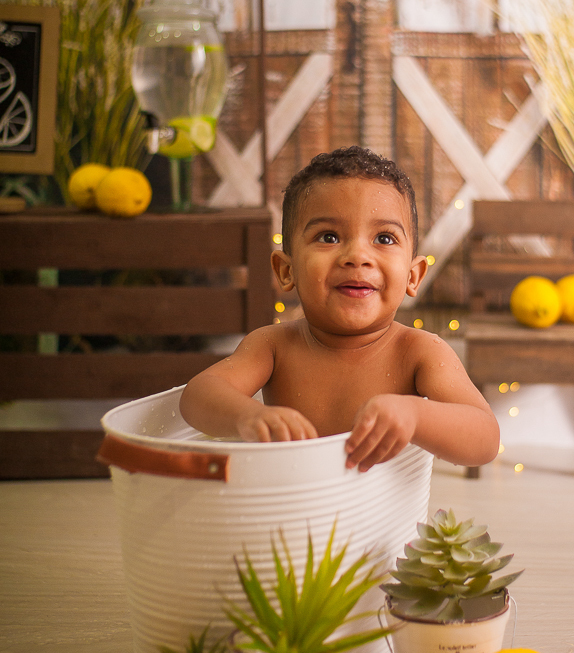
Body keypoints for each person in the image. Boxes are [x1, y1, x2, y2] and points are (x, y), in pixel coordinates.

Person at [179, 146, 499, 472]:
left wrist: (415, 415)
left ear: (412, 276)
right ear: (286, 271)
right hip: (289, 517)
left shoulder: (420, 352)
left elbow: (485, 438)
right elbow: (198, 396)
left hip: (383, 522)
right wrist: (249, 416)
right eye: (329, 236)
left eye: (384, 238)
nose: (356, 255)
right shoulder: (272, 345)